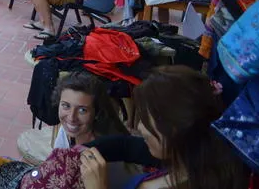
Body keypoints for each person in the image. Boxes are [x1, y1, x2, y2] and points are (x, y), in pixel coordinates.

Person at [0, 72, 130, 189]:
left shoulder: (104, 154)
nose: (71, 117)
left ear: (97, 112)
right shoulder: (69, 133)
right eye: (66, 106)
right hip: (26, 178)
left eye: (82, 110)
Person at [80, 65, 249, 189]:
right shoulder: (191, 158)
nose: (139, 127)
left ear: (174, 127)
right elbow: (126, 146)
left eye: (146, 120)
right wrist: (78, 151)